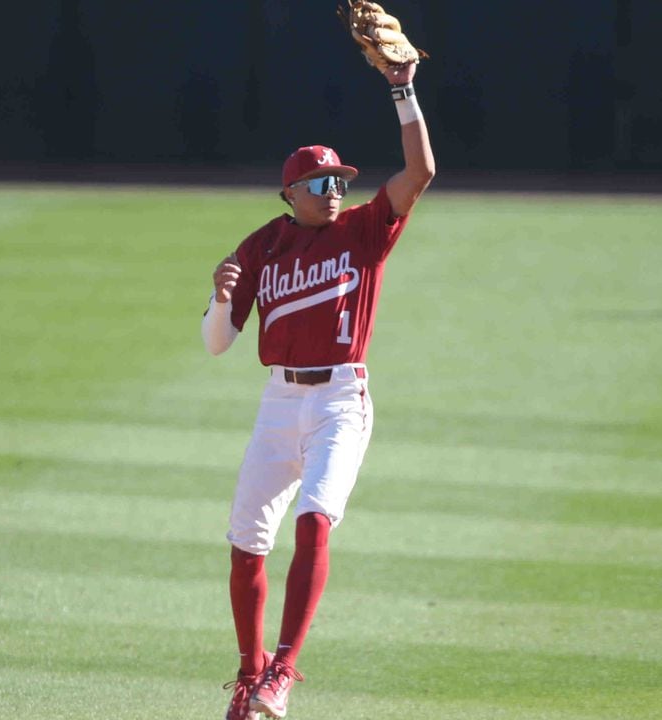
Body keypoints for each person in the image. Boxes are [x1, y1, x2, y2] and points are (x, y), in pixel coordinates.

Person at [202, 59, 434, 720]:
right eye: (319, 181)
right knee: (246, 542)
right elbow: (219, 342)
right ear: (290, 193)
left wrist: (402, 88)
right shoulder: (261, 247)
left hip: (340, 400)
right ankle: (249, 680)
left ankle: (282, 669)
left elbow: (420, 174)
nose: (333, 188)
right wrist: (220, 303)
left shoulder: (363, 231)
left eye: (338, 179)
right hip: (278, 402)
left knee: (314, 521)